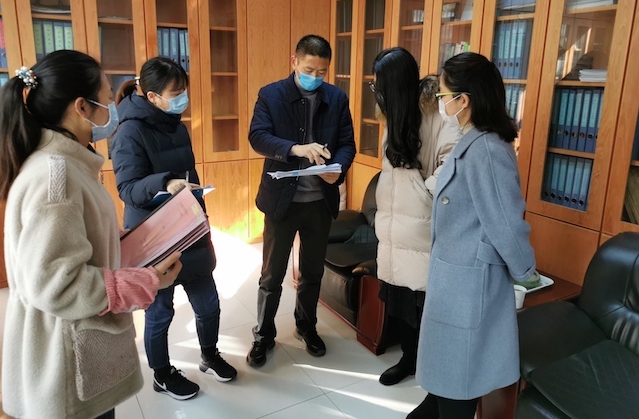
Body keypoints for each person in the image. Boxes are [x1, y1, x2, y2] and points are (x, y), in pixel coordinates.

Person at [0, 50, 182, 419]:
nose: (111, 107)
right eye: (106, 97)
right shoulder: (56, 176)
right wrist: (148, 281)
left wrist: (123, 242)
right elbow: (58, 285)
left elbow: (72, 241)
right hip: (66, 366)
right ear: (82, 107)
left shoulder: (67, 164)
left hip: (75, 355)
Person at [409, 52, 537, 419]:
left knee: (457, 388)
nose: (441, 102)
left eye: (443, 95)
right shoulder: (472, 140)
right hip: (454, 279)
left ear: (463, 100)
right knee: (443, 388)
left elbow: (506, 223)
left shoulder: (488, 150)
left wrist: (526, 272)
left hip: (470, 286)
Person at [110, 57, 237, 401]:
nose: (183, 98)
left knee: (208, 304)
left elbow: (187, 176)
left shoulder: (176, 125)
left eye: (184, 91)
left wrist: (196, 201)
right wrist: (164, 182)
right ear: (152, 97)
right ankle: (162, 375)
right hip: (155, 237)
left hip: (188, 228)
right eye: (176, 93)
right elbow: (128, 189)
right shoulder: (129, 132)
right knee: (160, 312)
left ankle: (209, 355)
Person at [247, 34, 356, 367]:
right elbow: (257, 137)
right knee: (271, 275)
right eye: (309, 70)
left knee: (312, 272)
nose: (315, 77)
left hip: (319, 202)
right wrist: (295, 149)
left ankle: (306, 326)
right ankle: (263, 335)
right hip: (282, 202)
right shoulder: (271, 94)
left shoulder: (336, 98)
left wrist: (338, 170)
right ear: (294, 62)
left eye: (322, 72)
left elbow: (347, 144)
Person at [370, 48, 460, 386]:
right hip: (394, 225)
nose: (376, 90)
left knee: (421, 304)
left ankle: (429, 368)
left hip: (421, 226)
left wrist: (423, 191)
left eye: (379, 84)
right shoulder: (392, 115)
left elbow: (453, 164)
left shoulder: (438, 114)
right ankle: (409, 360)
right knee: (401, 298)